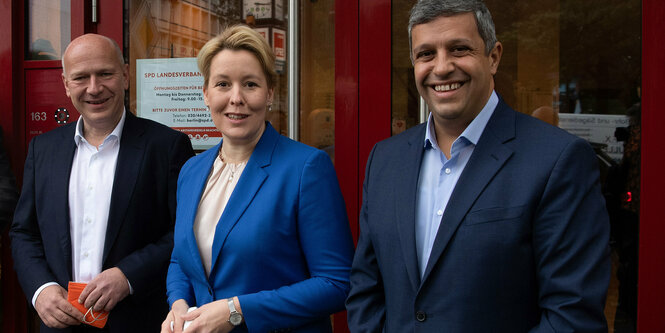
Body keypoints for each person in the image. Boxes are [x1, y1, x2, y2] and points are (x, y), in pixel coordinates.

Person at [345, 1, 610, 332]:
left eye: (459, 48)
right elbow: (366, 291)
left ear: (494, 57)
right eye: (426, 54)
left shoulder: (558, 159)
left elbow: (572, 315)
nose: (441, 67)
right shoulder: (384, 159)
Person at [161, 25, 354, 333]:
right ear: (206, 94)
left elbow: (336, 283)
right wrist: (178, 304)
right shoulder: (192, 170)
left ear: (269, 94)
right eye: (223, 84)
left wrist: (235, 311)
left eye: (250, 84)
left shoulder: (306, 168)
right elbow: (181, 260)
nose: (236, 98)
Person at [10, 34, 194, 332]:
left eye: (105, 74)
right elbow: (24, 232)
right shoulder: (43, 149)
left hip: (137, 321)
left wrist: (128, 276)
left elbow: (184, 232)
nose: (94, 88)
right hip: (60, 324)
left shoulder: (167, 146)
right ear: (66, 84)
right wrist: (40, 289)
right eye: (81, 77)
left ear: (124, 76)